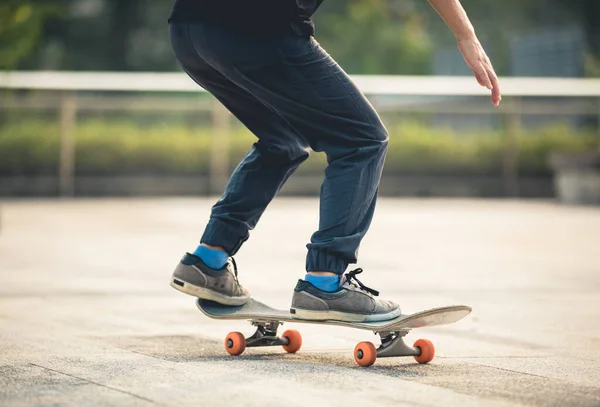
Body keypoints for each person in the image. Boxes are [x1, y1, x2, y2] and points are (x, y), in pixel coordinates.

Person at [168, 0, 501, 322]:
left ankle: (208, 260)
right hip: (258, 29)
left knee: (283, 141)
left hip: (190, 30)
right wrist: (465, 34)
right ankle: (324, 282)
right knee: (362, 139)